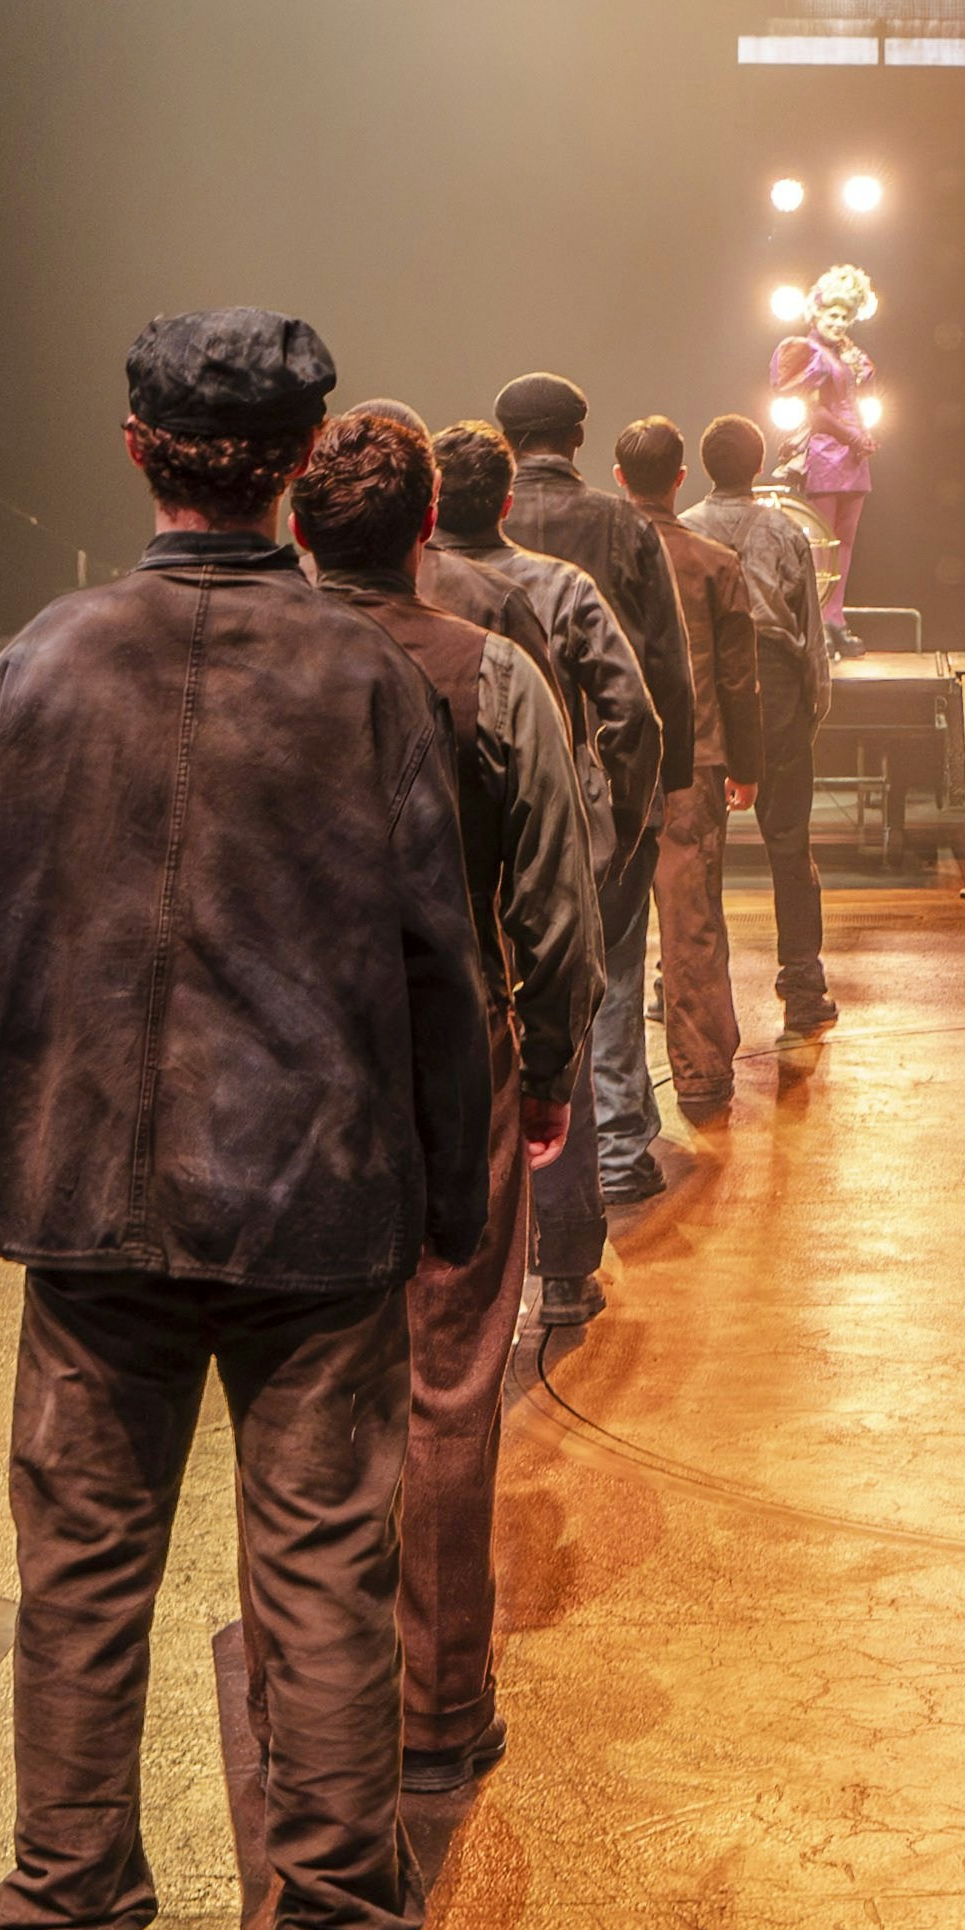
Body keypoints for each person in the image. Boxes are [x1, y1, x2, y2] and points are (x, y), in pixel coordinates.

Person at [0, 306, 488, 1930]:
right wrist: (454, 1183)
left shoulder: (37, 663)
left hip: (90, 1202)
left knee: (80, 1581)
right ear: (304, 445)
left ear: (135, 447)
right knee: (326, 1570)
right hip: (318, 1206)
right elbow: (436, 956)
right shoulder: (366, 683)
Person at [290, 405, 598, 1827]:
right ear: (427, 529)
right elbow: (551, 895)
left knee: (296, 1390)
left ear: (301, 527)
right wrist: (545, 1061)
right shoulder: (493, 672)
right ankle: (437, 1704)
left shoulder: (240, 666)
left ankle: (305, 1710)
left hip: (273, 1069)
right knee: (451, 1379)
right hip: (444, 1053)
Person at [413, 412, 659, 1332]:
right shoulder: (557, 588)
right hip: (541, 845)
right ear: (506, 499)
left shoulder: (399, 589)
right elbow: (631, 716)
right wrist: (611, 836)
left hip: (436, 857)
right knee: (561, 1034)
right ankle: (562, 1265)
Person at [497, 375, 699, 1212]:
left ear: (507, 439)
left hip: (499, 775)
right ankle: (617, 1142)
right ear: (581, 439)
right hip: (605, 776)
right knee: (613, 961)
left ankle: (521, 1158)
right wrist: (665, 783)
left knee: (512, 967)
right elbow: (662, 664)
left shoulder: (479, 521)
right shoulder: (623, 525)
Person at [621, 416, 757, 1125]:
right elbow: (739, 679)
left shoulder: (595, 562)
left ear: (618, 479)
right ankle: (702, 1073)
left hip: (609, 761)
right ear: (681, 480)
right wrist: (748, 766)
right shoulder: (714, 562)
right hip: (695, 762)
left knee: (606, 930)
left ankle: (610, 1095)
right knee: (692, 919)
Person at [682, 414, 836, 1041]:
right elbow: (811, 634)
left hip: (703, 688)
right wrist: (810, 709)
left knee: (696, 848)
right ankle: (802, 987)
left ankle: (681, 982)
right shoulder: (785, 530)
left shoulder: (683, 529)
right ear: (760, 462)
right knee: (789, 844)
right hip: (773, 687)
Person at [768, 269, 880, 639]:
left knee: (845, 542)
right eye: (832, 315)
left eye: (845, 316)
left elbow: (856, 402)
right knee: (821, 542)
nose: (838, 322)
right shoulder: (807, 352)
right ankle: (816, 621)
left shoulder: (847, 355)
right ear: (815, 314)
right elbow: (814, 413)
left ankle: (835, 618)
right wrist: (851, 436)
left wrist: (863, 437)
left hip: (852, 459)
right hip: (824, 456)